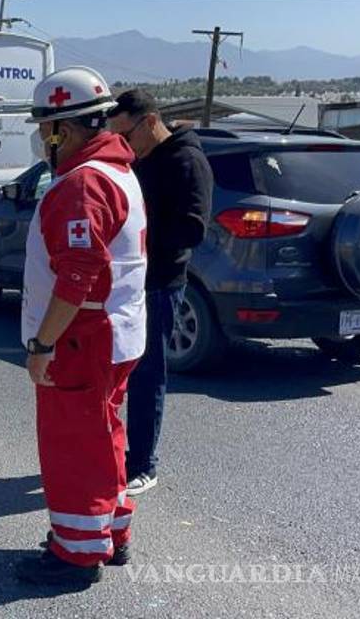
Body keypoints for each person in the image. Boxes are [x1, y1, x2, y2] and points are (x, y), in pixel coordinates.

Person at [16, 67, 147, 586]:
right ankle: (109, 534)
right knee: (104, 437)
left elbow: (77, 275)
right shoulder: (117, 171)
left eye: (44, 127)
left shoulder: (83, 184)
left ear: (62, 131)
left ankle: (75, 555)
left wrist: (42, 343)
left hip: (82, 339)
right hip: (115, 333)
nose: (41, 138)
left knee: (73, 446)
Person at [107, 90, 213, 496]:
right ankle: (117, 454)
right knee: (122, 371)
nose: (123, 145)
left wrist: (138, 239)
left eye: (126, 135)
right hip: (129, 282)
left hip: (160, 283)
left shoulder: (187, 161)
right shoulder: (142, 158)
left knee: (148, 374)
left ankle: (143, 464)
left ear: (150, 121)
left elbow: (192, 230)